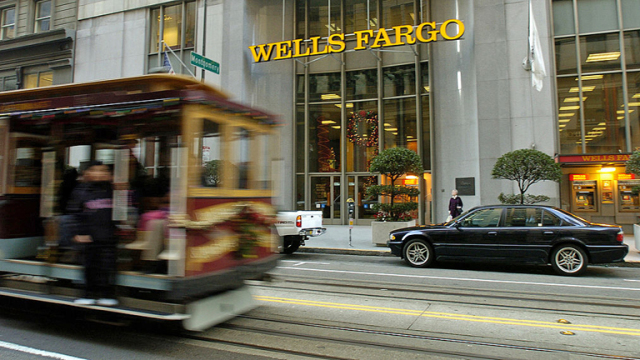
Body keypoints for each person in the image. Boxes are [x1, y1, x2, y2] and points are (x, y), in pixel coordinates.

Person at [67, 161, 119, 306]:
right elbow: (74, 214)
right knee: (89, 266)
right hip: (88, 237)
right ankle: (87, 294)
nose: (100, 173)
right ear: (87, 174)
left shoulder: (113, 191)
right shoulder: (81, 191)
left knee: (107, 266)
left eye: (103, 171)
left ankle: (107, 294)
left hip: (108, 236)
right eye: (95, 170)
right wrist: (78, 233)